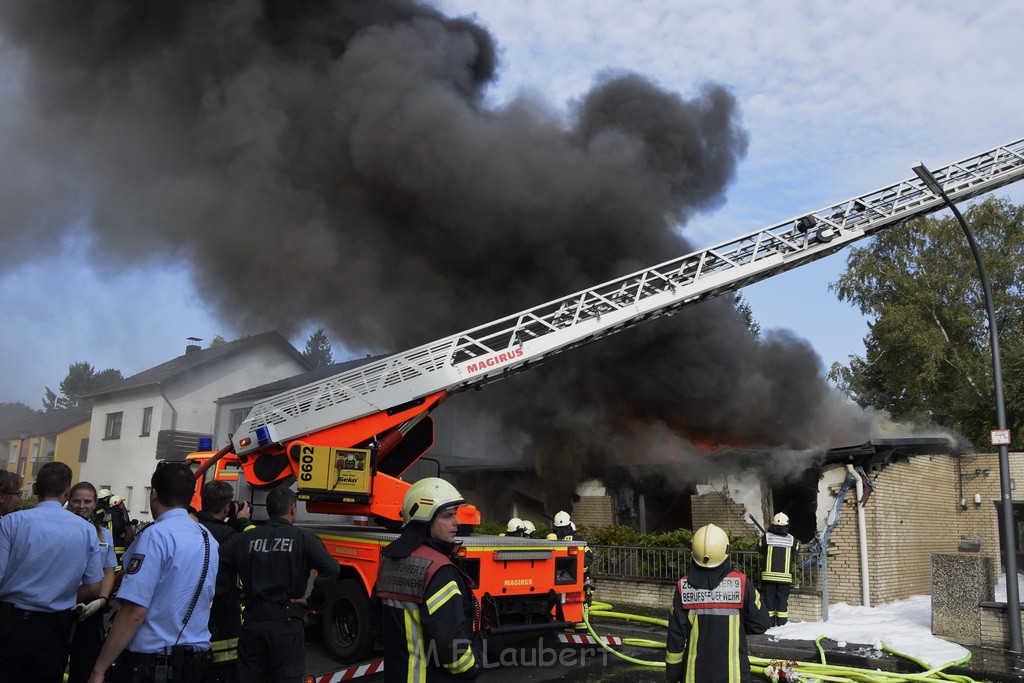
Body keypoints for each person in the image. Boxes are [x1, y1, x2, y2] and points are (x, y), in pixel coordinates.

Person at [89, 462, 218, 683]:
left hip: (154, 664)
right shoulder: (207, 538)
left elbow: (134, 611)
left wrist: (99, 669)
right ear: (191, 495)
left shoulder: (155, 536)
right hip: (193, 664)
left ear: (154, 494)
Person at [220, 486, 338, 683]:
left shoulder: (243, 539)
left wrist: (235, 593)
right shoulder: (304, 539)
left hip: (253, 623)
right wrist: (312, 602)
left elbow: (214, 565)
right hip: (287, 624)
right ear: (293, 509)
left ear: (268, 510)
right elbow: (331, 569)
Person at [0, 461, 104, 683]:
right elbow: (94, 587)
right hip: (54, 627)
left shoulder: (11, 523)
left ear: (35, 489)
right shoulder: (86, 530)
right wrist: (60, 593)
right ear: (67, 491)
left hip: (10, 624)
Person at [376, 478, 480, 682]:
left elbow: (376, 625)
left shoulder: (389, 559)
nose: (457, 522)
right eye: (448, 516)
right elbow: (450, 645)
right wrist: (475, 665)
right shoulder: (439, 570)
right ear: (425, 520)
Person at [665, 523, 769, 683]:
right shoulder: (741, 584)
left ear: (693, 553)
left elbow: (676, 636)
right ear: (726, 551)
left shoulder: (683, 587)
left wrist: (673, 675)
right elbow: (760, 624)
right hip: (734, 676)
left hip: (694, 676)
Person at [197, 481, 253, 683]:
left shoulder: (193, 527)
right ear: (226, 507)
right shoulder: (231, 537)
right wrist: (243, 521)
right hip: (222, 618)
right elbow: (254, 550)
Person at [67, 482, 119, 683]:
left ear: (95, 502)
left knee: (83, 667)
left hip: (90, 609)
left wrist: (103, 600)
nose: (82, 506)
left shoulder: (104, 534)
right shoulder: (64, 529)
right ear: (68, 501)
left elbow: (108, 570)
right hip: (62, 606)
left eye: (87, 501)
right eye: (76, 501)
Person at [759, 511, 799, 627]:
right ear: (787, 525)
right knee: (782, 602)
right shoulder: (792, 540)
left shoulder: (766, 537)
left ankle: (769, 625)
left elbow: (760, 550)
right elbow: (795, 553)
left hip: (768, 577)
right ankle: (781, 625)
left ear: (773, 524)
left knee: (769, 601)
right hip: (784, 578)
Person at [96, 489, 136, 565]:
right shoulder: (116, 513)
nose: (123, 505)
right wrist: (123, 534)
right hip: (117, 544)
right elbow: (118, 527)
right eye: (121, 503)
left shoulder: (108, 512)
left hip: (107, 542)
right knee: (117, 564)